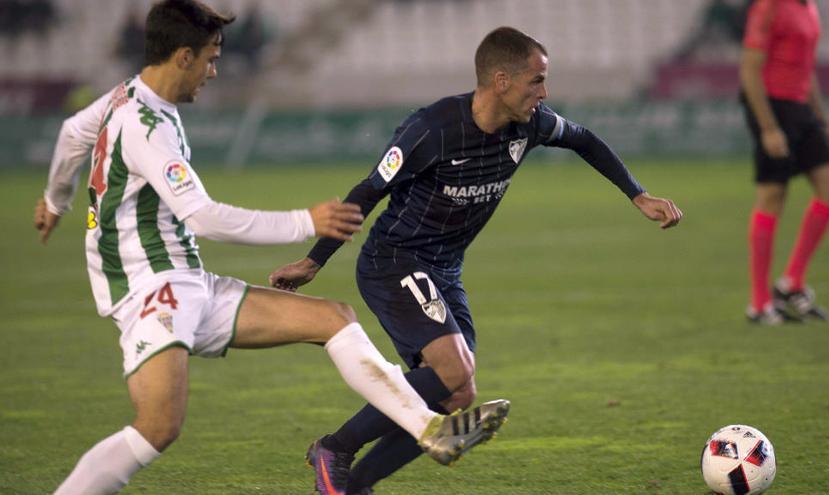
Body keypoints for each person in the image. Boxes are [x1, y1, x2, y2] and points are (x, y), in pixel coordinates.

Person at [33, 2, 508, 494]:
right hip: (153, 292)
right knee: (158, 427)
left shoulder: (125, 99)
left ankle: (429, 429)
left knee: (334, 318)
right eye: (211, 59)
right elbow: (203, 216)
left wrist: (54, 199)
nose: (214, 72)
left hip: (187, 280)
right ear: (182, 56)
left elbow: (72, 134)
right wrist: (305, 221)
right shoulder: (147, 128)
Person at [270, 26, 683, 494]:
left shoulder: (531, 124)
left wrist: (638, 195)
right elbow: (368, 192)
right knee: (454, 371)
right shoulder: (431, 131)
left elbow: (583, 138)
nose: (544, 93)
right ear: (502, 80)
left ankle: (355, 484)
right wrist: (313, 261)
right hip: (395, 260)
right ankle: (336, 448)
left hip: (445, 270)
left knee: (457, 395)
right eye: (536, 81)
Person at [739, 0, 829, 325]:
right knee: (773, 197)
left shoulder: (809, 7)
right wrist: (769, 127)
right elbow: (750, 69)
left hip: (801, 107)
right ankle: (759, 305)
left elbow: (805, 67)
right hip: (772, 104)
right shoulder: (770, 6)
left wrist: (823, 121)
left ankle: (790, 284)